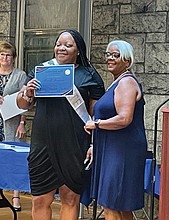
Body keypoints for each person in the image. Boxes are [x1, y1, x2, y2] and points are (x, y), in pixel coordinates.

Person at [16, 29, 105, 220]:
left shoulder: (89, 75)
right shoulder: (42, 70)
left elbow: (95, 114)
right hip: (43, 143)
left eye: (68, 45)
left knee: (70, 197)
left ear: (79, 50)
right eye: (58, 44)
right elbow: (22, 104)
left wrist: (93, 144)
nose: (61, 48)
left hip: (74, 143)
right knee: (40, 199)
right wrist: (28, 93)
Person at [84, 40, 148, 220]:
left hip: (123, 150)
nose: (110, 58)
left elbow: (124, 118)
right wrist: (95, 145)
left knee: (111, 202)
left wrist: (95, 124)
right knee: (121, 205)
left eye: (116, 55)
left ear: (127, 61)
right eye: (108, 54)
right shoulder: (117, 82)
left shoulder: (126, 82)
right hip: (111, 148)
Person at [0, 40, 27, 211]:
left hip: (12, 123)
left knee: (13, 159)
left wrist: (22, 122)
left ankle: (16, 197)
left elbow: (25, 101)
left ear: (14, 58)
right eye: (2, 54)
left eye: (8, 55)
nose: (5, 58)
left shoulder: (20, 75)